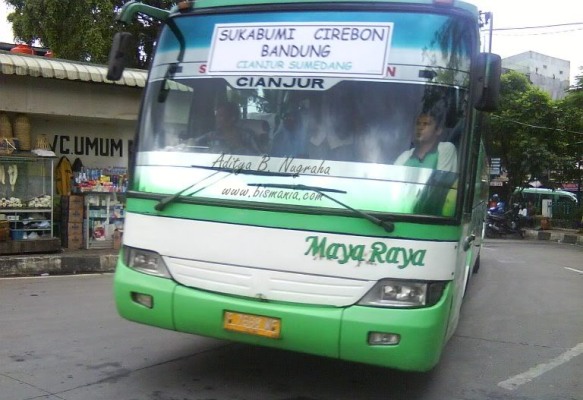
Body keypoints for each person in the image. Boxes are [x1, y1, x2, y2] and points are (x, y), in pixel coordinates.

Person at [194, 101, 260, 155]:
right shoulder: (212, 135)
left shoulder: (246, 136)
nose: (217, 119)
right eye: (217, 116)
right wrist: (190, 142)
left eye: (221, 116)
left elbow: (257, 157)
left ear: (232, 118)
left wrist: (238, 145)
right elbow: (194, 142)